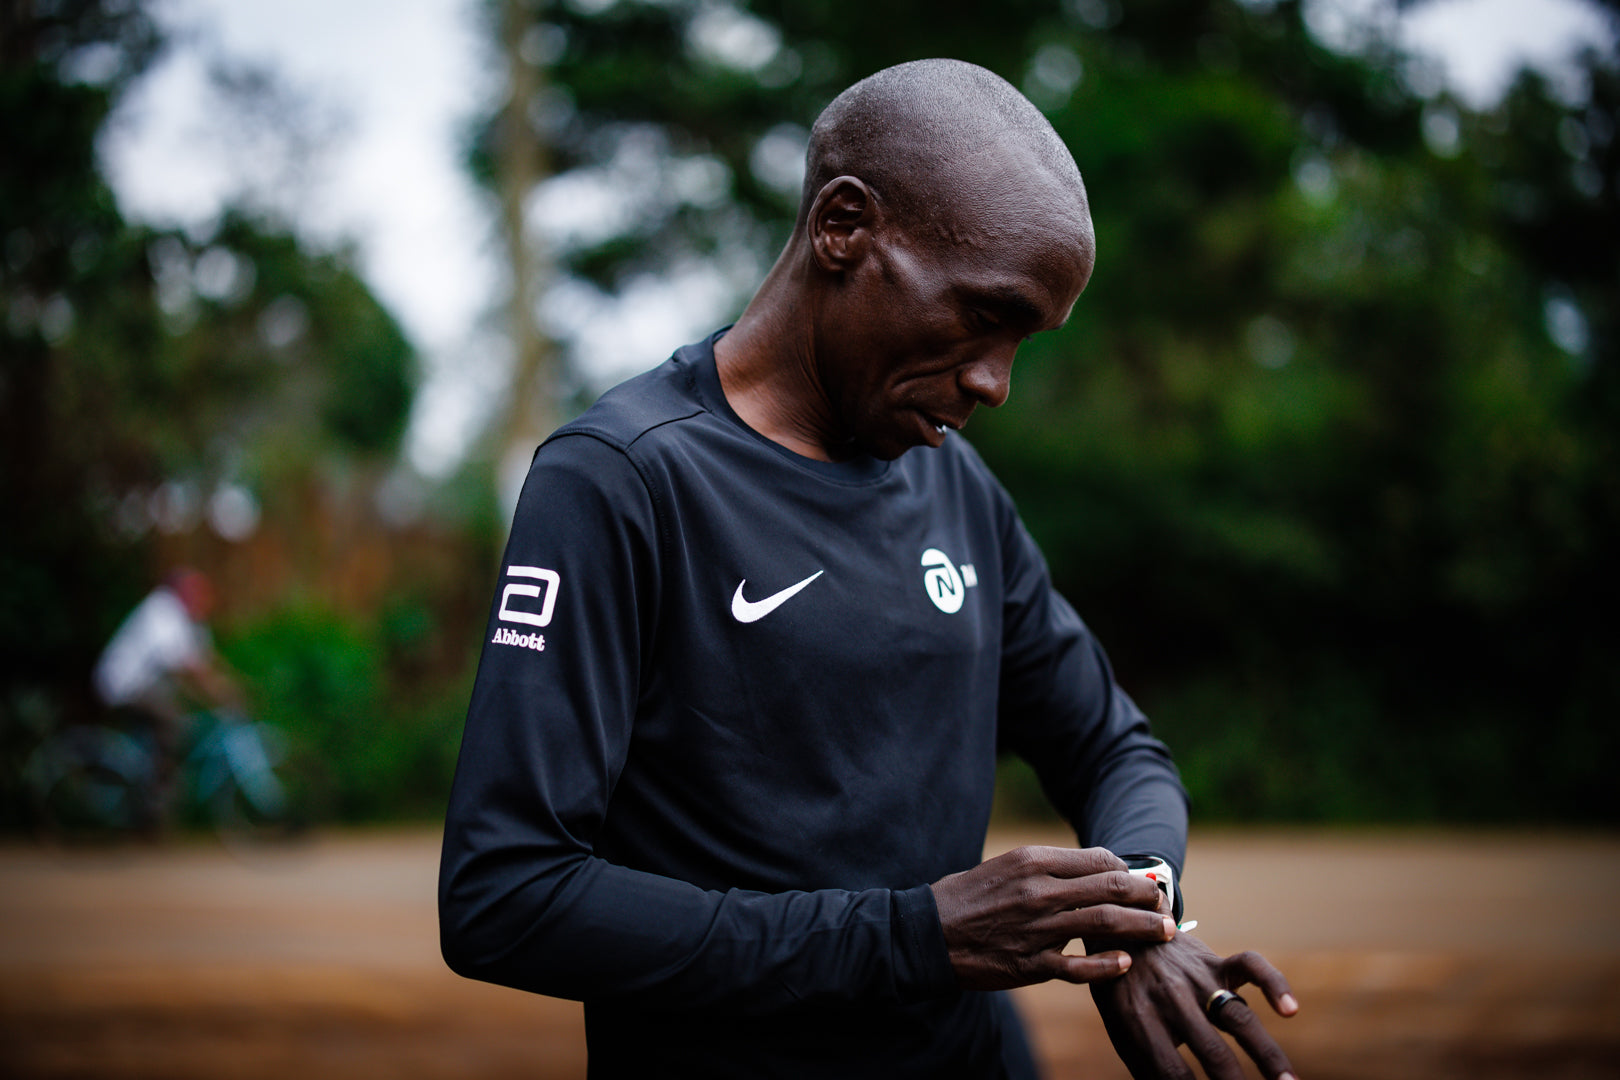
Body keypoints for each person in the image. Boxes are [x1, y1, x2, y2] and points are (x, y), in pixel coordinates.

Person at [440, 58, 1298, 1079]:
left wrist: (1143, 910)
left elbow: (1114, 749)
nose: (996, 381)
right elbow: (507, 894)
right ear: (844, 227)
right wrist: (912, 937)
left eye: (1024, 341)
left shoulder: (956, 487)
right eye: (984, 315)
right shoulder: (622, 481)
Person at [92, 567, 242, 821]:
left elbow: (203, 662)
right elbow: (184, 664)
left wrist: (228, 685)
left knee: (182, 721)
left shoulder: (188, 621)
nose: (203, 598)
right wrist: (219, 691)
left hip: (147, 686)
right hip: (125, 684)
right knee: (173, 722)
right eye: (197, 591)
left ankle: (151, 789)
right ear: (181, 590)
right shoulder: (161, 609)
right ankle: (155, 800)